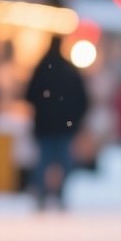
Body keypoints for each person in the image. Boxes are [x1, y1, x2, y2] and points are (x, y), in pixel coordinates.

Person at [25, 36, 89, 209]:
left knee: (44, 161)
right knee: (64, 161)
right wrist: (74, 120)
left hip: (45, 126)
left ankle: (41, 193)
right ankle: (60, 193)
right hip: (64, 126)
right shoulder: (69, 69)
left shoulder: (41, 68)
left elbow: (29, 94)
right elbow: (82, 99)